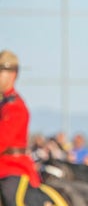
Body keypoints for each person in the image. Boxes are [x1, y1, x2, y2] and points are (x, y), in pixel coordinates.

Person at [0, 50, 66, 205]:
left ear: (13, 74)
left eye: (1, 71)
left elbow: (3, 139)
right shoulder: (3, 105)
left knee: (11, 198)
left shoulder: (15, 107)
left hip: (12, 168)